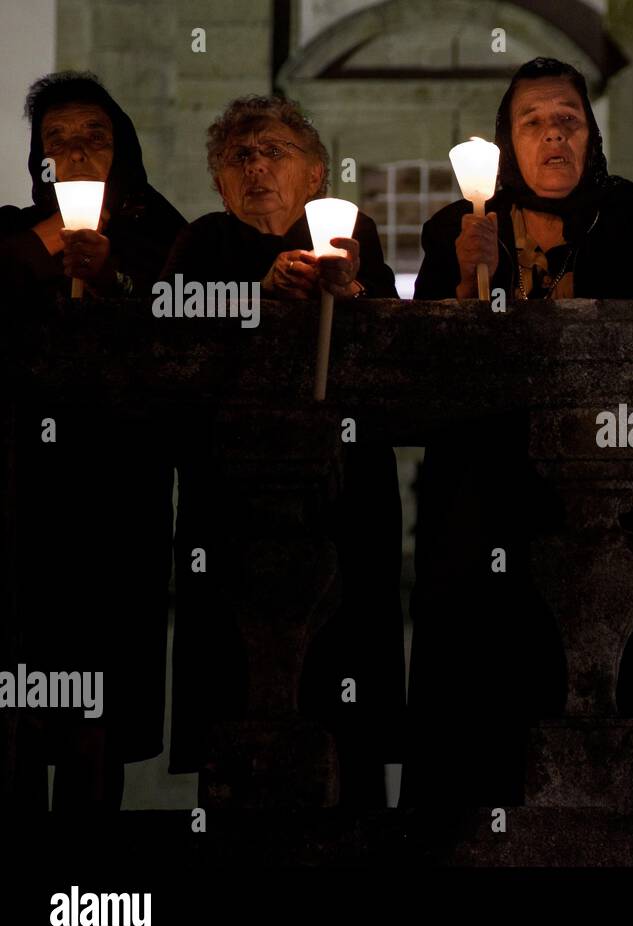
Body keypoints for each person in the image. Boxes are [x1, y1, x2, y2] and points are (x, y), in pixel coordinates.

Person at [404, 57, 633, 808]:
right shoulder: (456, 227)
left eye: (568, 118)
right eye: (532, 122)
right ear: (507, 143)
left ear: (591, 136)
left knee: (601, 695)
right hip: (482, 501)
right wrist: (466, 285)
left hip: (604, 498)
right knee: (478, 713)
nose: (553, 134)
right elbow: (427, 377)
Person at [161, 95, 405, 807]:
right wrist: (254, 295)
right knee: (238, 686)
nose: (257, 165)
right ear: (219, 182)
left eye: (274, 151)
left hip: (344, 490)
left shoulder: (350, 232)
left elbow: (394, 336)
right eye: (241, 155)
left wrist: (350, 288)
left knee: (345, 673)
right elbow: (170, 320)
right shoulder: (205, 242)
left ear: (316, 174)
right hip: (230, 496)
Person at [0, 72, 185, 810]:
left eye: (94, 138)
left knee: (100, 685)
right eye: (58, 141)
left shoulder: (158, 230)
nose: (75, 153)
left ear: (123, 149)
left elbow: (183, 309)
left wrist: (118, 278)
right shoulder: (15, 227)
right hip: (23, 484)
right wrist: (45, 246)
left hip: (117, 487)